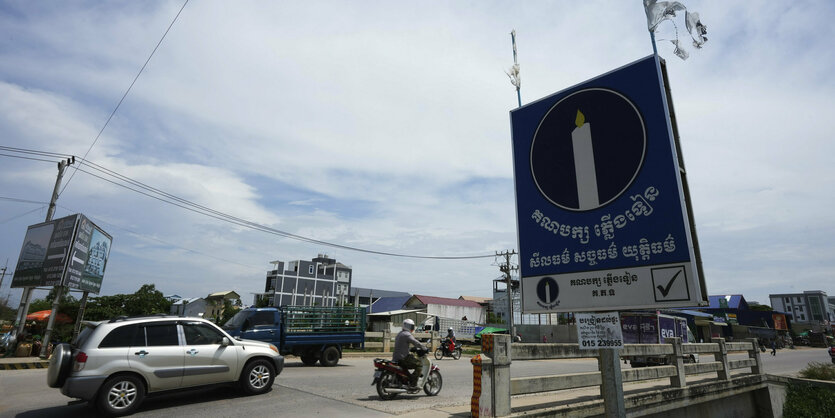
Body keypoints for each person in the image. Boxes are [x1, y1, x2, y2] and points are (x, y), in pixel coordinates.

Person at [393, 319, 425, 388]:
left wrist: (410, 349)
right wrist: (424, 347)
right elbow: (415, 342)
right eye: (411, 326)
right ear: (408, 326)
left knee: (408, 364)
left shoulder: (400, 333)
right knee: (419, 365)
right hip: (403, 358)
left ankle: (408, 379)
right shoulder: (407, 334)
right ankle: (413, 382)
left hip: (396, 357)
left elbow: (402, 345)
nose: (412, 328)